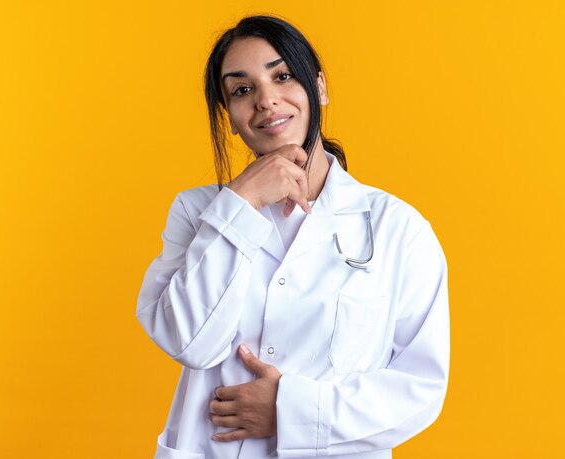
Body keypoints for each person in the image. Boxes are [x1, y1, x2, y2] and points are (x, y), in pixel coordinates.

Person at [136, 15, 449, 459]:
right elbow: (189, 341)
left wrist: (293, 411)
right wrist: (240, 202)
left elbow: (420, 388)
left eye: (282, 76)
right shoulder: (196, 212)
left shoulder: (398, 229)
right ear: (229, 116)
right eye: (242, 90)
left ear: (319, 88)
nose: (266, 100)